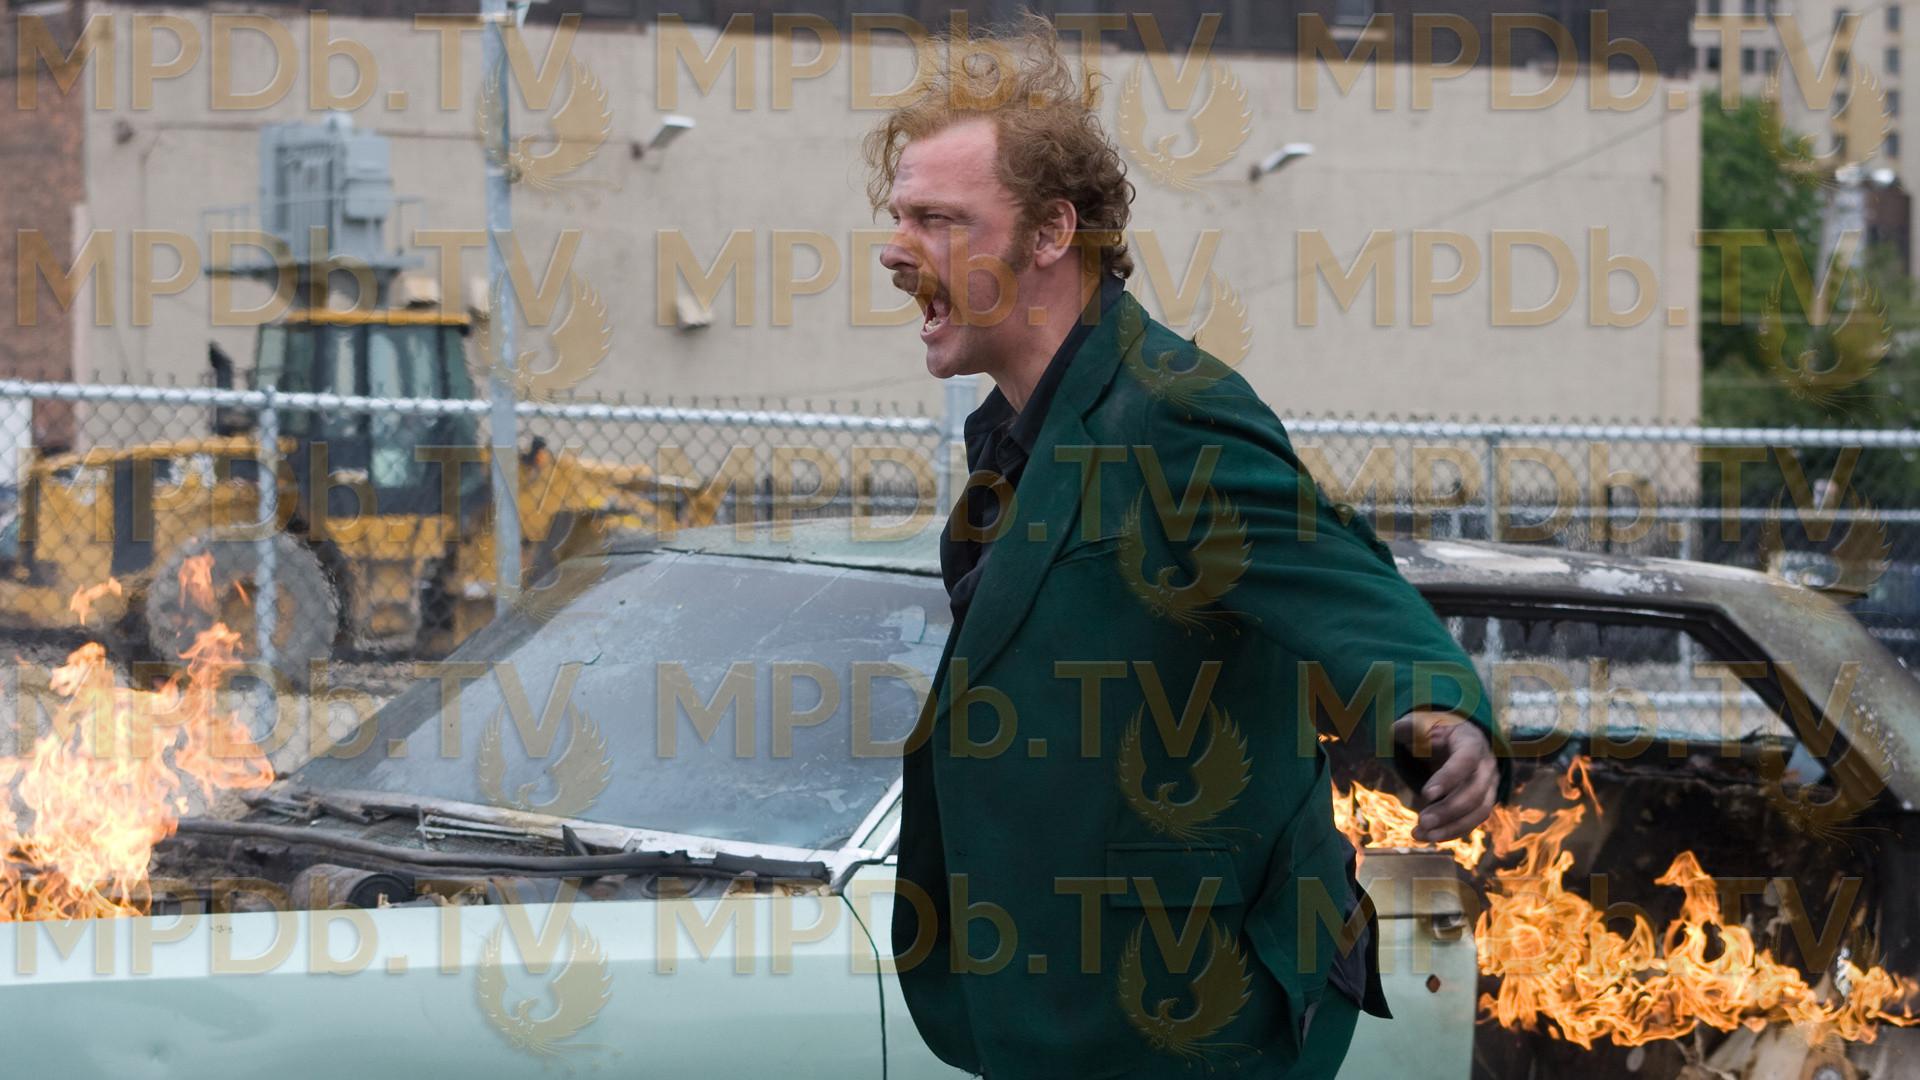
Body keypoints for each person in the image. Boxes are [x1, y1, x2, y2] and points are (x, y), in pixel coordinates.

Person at [865, 17, 1508, 1078]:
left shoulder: (1170, 411)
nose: (896, 251)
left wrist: (1437, 709)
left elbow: (1338, 577)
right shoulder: (1013, 436)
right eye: (899, 217)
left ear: (1051, 232)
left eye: (938, 220)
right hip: (1062, 1006)